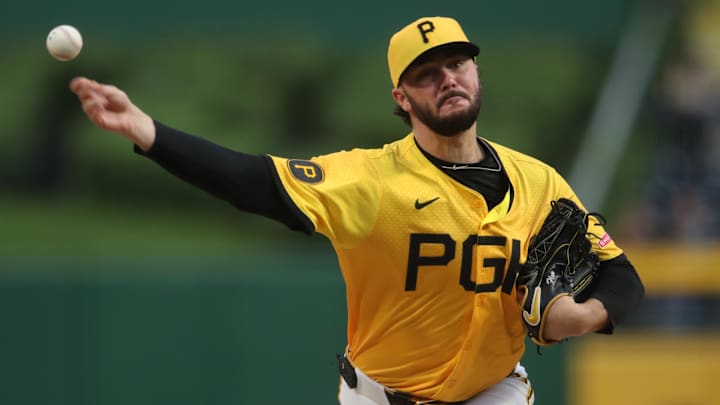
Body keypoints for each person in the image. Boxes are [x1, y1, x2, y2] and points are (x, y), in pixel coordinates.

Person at [70, 16, 644, 405]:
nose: (447, 79)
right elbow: (253, 182)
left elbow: (620, 275)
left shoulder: (538, 183)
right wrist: (148, 132)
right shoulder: (369, 179)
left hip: (492, 391)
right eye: (426, 73)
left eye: (457, 64)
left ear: (476, 71)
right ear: (402, 97)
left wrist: (587, 316)